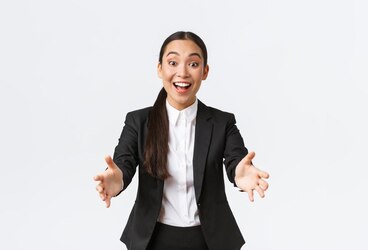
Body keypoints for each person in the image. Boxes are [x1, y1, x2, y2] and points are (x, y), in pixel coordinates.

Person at [93, 31, 270, 250]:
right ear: (160, 69)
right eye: (173, 62)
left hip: (209, 240)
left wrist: (241, 174)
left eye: (193, 64)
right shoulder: (138, 121)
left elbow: (237, 161)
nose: (182, 72)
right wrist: (116, 181)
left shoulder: (222, 122)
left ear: (205, 72)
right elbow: (123, 164)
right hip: (152, 240)